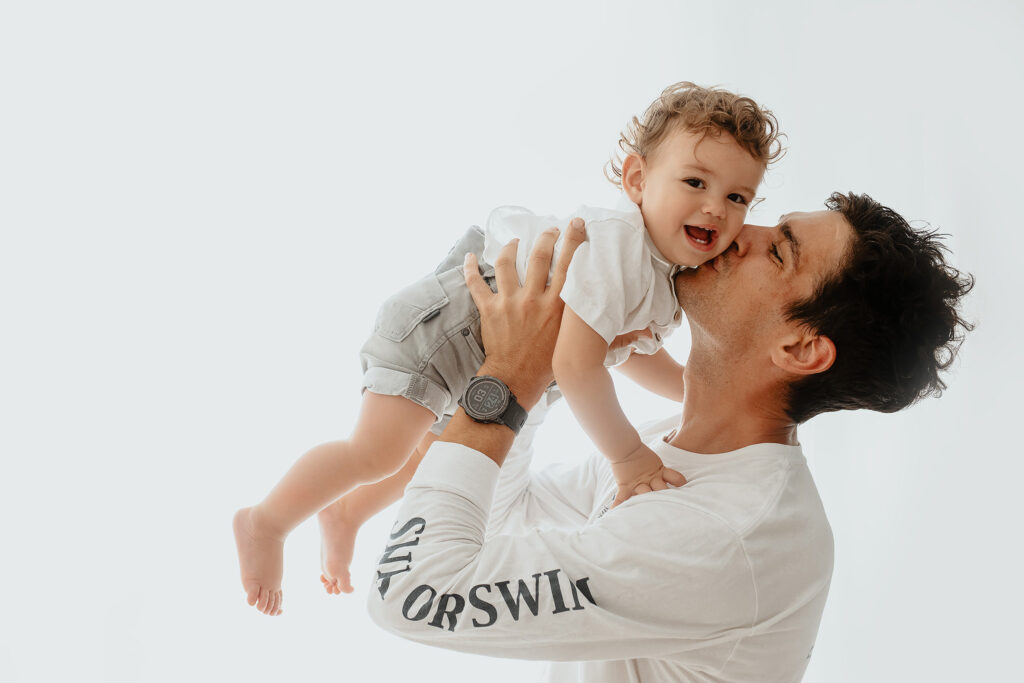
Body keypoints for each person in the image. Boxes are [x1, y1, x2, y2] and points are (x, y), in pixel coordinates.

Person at [365, 192, 973, 682]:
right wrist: (541, 361)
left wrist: (507, 379)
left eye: (778, 252)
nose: (739, 233)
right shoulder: (668, 449)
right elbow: (510, 518)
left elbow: (410, 594)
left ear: (801, 347)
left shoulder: (726, 534)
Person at [233, 82, 783, 613]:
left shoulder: (658, 275)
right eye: (695, 182)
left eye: (737, 197)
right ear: (637, 179)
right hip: (449, 332)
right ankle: (267, 521)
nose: (716, 208)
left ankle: (347, 514)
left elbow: (632, 352)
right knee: (378, 452)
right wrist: (630, 459)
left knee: (429, 457)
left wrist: (699, 393)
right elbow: (575, 366)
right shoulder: (621, 249)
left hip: (485, 359)